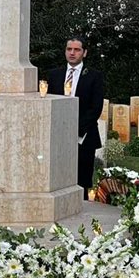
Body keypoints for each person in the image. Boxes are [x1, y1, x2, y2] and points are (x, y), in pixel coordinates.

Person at [46, 35, 105, 191]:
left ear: (84, 53)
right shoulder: (54, 75)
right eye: (69, 49)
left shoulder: (94, 76)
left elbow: (96, 107)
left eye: (77, 50)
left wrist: (76, 129)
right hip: (58, 135)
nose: (72, 53)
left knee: (82, 180)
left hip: (83, 136)